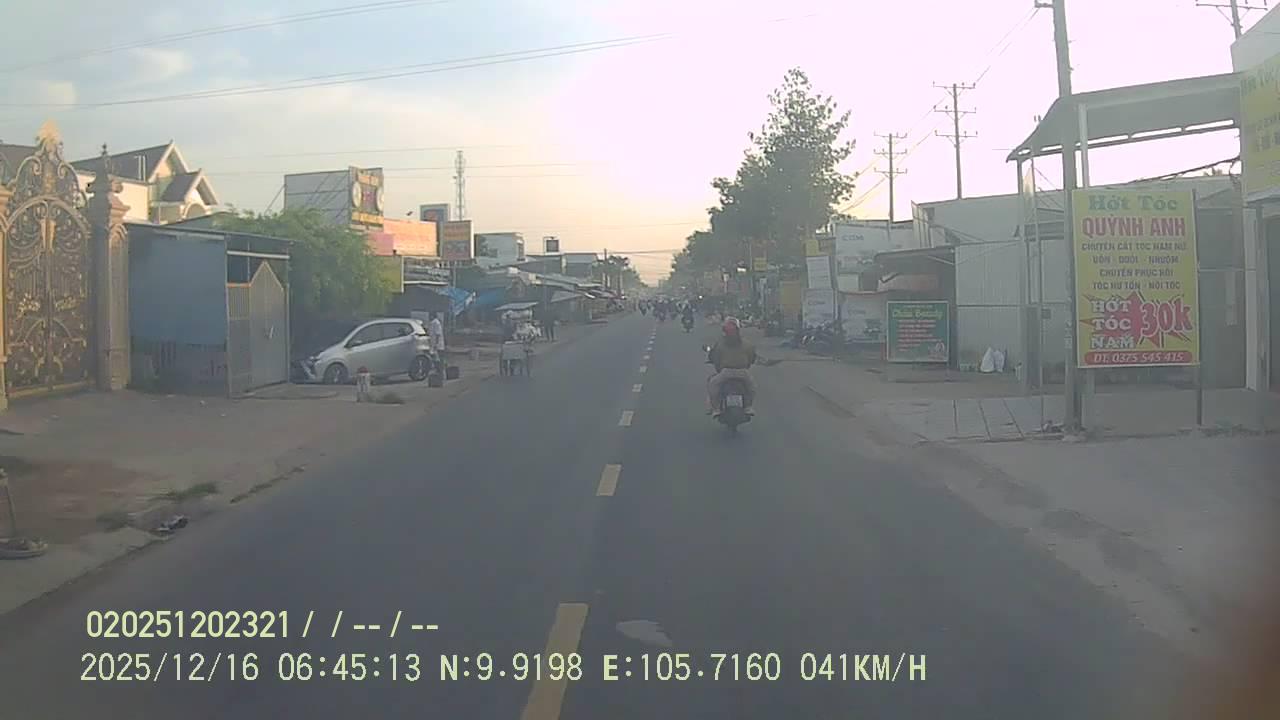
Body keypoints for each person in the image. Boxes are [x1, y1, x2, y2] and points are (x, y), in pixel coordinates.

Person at [706, 316, 757, 416]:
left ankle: (716, 409)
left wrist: (719, 368)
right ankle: (748, 407)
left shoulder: (720, 344)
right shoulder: (747, 344)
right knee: (752, 388)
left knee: (713, 385)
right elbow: (751, 357)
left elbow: (716, 359)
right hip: (742, 372)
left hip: (726, 372)